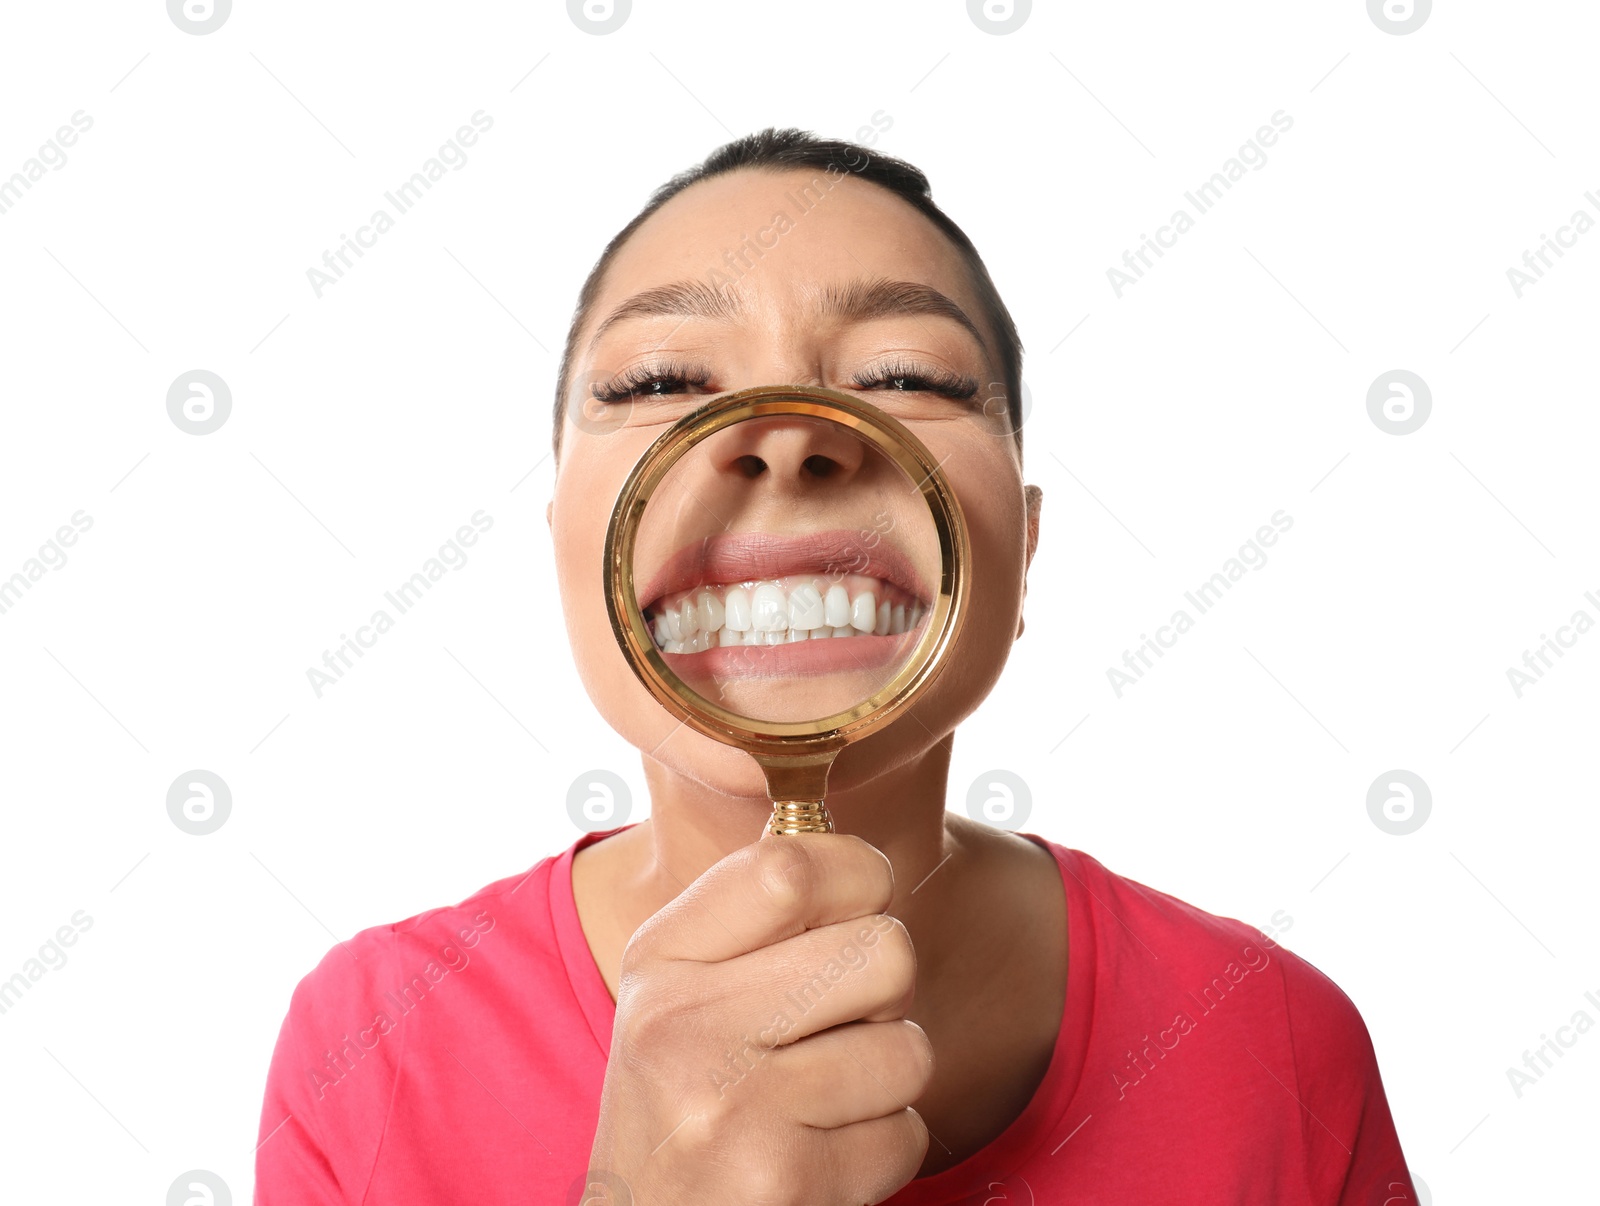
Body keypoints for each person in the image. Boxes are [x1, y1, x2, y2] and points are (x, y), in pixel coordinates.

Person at [254, 127, 1418, 1205]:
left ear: (1021, 548)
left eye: (907, 373)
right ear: (561, 539)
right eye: (659, 382)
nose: (789, 429)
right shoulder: (371, 1041)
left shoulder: (1270, 1037)